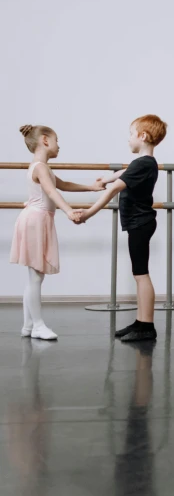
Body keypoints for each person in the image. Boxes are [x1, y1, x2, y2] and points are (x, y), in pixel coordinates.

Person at [77, 115, 167, 342]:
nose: (128, 139)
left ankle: (147, 326)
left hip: (140, 223)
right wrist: (106, 178)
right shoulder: (145, 163)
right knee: (139, 274)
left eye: (131, 134)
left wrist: (88, 212)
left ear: (143, 136)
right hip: (139, 223)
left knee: (141, 274)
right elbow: (122, 174)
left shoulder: (142, 163)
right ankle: (140, 321)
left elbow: (113, 190)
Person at [10, 124, 103, 340]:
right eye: (56, 140)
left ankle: (28, 325)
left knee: (34, 277)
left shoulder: (42, 167)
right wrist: (69, 211)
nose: (59, 145)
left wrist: (91, 187)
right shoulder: (40, 167)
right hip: (35, 220)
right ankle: (38, 325)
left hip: (38, 220)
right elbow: (51, 192)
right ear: (44, 140)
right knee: (35, 276)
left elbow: (63, 184)